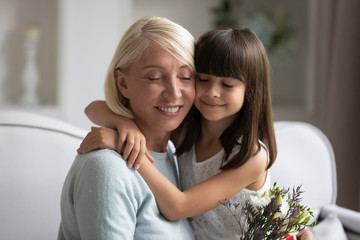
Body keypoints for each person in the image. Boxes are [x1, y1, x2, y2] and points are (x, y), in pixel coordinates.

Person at [79, 28, 314, 240]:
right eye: (203, 80)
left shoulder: (251, 156)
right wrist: (124, 125)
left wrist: (125, 146)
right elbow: (93, 107)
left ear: (250, 90)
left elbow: (177, 207)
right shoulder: (185, 128)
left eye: (227, 85)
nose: (212, 92)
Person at [58, 16, 196, 240]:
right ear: (122, 83)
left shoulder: (176, 156)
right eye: (154, 77)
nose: (174, 92)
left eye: (186, 76)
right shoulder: (106, 167)